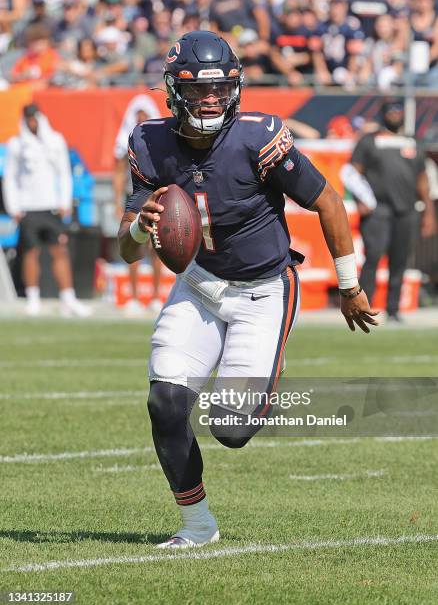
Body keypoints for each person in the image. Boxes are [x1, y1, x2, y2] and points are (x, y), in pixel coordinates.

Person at [118, 31, 378, 549]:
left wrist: (349, 285)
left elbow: (328, 202)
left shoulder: (258, 137)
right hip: (198, 285)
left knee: (230, 428)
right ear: (174, 90)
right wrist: (136, 228)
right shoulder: (149, 141)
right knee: (165, 404)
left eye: (221, 88)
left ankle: (262, 384)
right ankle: (197, 525)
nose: (211, 99)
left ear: (236, 87)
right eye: (198, 90)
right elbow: (126, 250)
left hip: (263, 290)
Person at [351, 98, 437, 322]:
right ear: (383, 114)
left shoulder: (412, 142)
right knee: (373, 258)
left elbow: (422, 179)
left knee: (399, 261)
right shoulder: (370, 141)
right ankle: (363, 307)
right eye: (391, 111)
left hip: (406, 210)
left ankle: (393, 309)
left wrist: (428, 211)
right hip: (378, 209)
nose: (395, 115)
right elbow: (352, 173)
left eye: (399, 111)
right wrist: (361, 199)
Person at [2, 104, 90, 317]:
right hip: (28, 208)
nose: (32, 123)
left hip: (51, 206)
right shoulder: (16, 145)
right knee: (30, 253)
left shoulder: (55, 141)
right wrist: (14, 206)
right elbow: (10, 177)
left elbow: (64, 173)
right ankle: (33, 297)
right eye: (28, 119)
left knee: (60, 250)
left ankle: (68, 298)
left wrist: (64, 202)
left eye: (34, 118)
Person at [113, 93, 163, 314]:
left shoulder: (160, 142)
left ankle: (155, 295)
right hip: (134, 196)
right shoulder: (128, 140)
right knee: (133, 242)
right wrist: (116, 202)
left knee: (156, 246)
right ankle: (132, 296)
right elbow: (119, 173)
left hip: (155, 195)